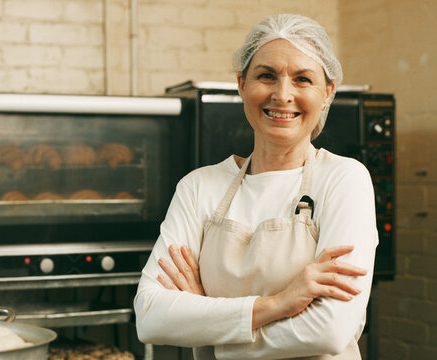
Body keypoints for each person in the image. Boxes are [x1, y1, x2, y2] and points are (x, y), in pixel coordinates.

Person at [134, 13, 378, 359]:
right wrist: (277, 304)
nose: (282, 94)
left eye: (302, 79)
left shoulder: (344, 180)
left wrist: (208, 329)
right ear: (241, 85)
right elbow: (149, 317)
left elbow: (330, 330)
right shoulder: (199, 187)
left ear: (327, 93)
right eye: (266, 76)